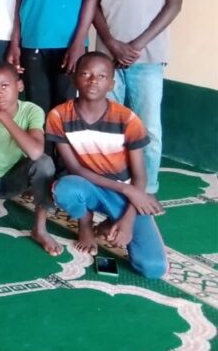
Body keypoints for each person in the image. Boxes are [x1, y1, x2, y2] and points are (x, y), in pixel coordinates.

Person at [94, 0, 196, 195]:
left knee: (147, 127)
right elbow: (93, 2)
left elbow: (174, 4)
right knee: (106, 124)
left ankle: (146, 190)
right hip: (107, 58)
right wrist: (112, 43)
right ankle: (110, 186)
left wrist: (137, 44)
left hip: (148, 57)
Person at [49, 52, 168, 278]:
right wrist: (128, 189)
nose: (93, 81)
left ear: (111, 84)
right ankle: (85, 226)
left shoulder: (127, 119)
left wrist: (128, 220)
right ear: (74, 78)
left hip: (124, 197)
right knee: (66, 188)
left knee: (153, 268)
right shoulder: (59, 115)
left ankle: (110, 222)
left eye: (102, 76)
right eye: (86, 74)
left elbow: (140, 177)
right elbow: (75, 169)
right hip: (90, 186)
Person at [0, 63, 58, 253]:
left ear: (19, 86)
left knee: (44, 163)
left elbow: (35, 152)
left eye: (4, 86)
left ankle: (39, 229)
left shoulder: (32, 111)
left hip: (15, 175)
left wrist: (2, 116)